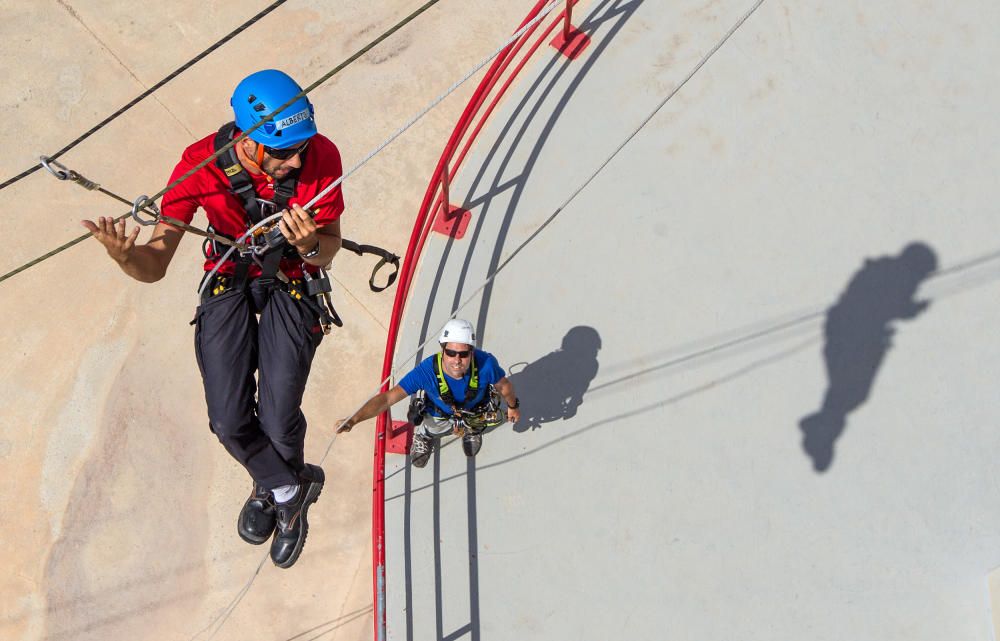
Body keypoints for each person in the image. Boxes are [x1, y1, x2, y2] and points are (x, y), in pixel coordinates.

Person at [81, 69, 344, 568]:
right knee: (227, 419)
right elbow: (155, 263)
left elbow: (327, 246)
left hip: (290, 276)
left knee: (278, 412)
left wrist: (311, 246)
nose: (295, 161)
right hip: (230, 276)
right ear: (248, 141)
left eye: (299, 149)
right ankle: (288, 487)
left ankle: (276, 493)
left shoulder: (319, 155)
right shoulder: (198, 166)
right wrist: (124, 257)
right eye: (283, 151)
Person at [337, 319, 521, 467]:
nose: (457, 360)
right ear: (442, 350)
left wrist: (513, 407)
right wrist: (354, 419)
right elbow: (387, 398)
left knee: (478, 424)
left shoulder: (486, 364)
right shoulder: (426, 372)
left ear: (472, 352)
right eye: (451, 352)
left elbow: (504, 387)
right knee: (433, 428)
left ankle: (471, 431)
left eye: (463, 354)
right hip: (438, 414)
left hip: (475, 412)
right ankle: (425, 435)